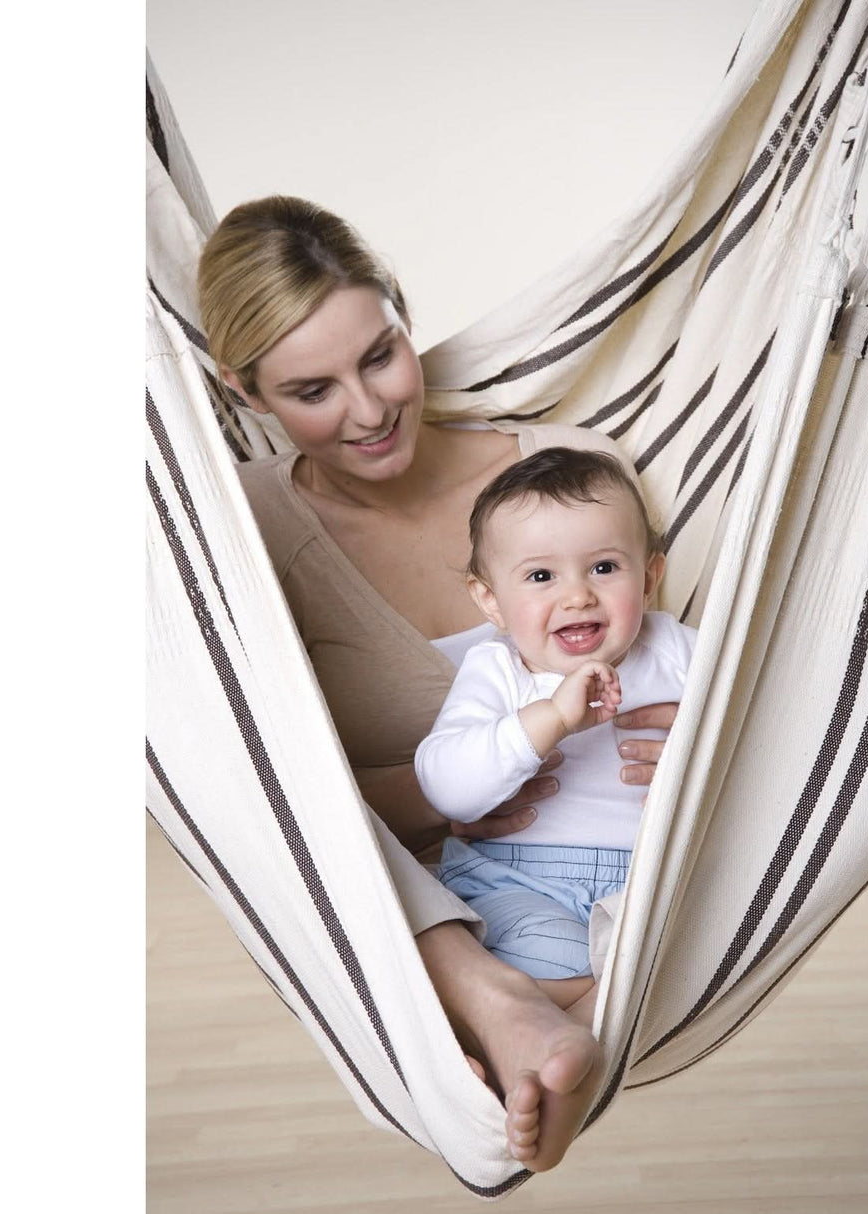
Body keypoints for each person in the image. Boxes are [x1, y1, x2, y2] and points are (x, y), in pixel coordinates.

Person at [196, 195, 680, 1172]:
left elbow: (703, 665)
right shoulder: (232, 535)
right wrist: (457, 785)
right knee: (314, 827)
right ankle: (500, 1004)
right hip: (395, 887)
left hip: (612, 862)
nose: (369, 410)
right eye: (311, 389)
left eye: (380, 355)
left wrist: (696, 741)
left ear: (404, 318)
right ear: (244, 394)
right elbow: (262, 788)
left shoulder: (570, 479)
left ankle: (535, 1017)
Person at [416, 448, 696, 1027]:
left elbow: (766, 729)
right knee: (551, 969)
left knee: (676, 961)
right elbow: (446, 786)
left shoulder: (678, 652)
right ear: (490, 600)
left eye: (604, 568)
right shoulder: (500, 671)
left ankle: (546, 1048)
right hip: (517, 879)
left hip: (645, 888)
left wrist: (701, 743)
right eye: (542, 576)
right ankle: (569, 1035)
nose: (577, 596)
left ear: (649, 579)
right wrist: (550, 719)